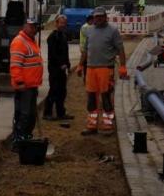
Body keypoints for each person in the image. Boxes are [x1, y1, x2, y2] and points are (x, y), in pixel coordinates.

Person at [75, 7, 128, 135]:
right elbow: (86, 50)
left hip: (106, 69)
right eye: (96, 17)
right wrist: (81, 65)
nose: (98, 19)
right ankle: (91, 125)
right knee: (91, 98)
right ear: (93, 18)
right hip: (91, 69)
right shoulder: (89, 30)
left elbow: (120, 49)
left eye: (100, 16)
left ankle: (108, 125)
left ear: (105, 17)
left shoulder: (113, 31)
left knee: (106, 98)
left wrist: (122, 66)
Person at [10, 18, 44, 149]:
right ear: (24, 26)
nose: (34, 29)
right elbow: (15, 65)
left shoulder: (31, 41)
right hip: (23, 86)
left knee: (30, 115)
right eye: (31, 27)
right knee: (23, 114)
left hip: (31, 85)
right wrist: (19, 82)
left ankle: (26, 137)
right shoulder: (19, 42)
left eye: (35, 27)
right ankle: (18, 141)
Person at [43, 15, 73, 120]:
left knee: (62, 91)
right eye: (61, 23)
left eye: (64, 23)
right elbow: (53, 54)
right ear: (56, 23)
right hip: (54, 68)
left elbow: (66, 52)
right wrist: (61, 64)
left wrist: (68, 64)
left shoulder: (63, 36)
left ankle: (61, 112)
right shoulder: (52, 37)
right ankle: (47, 113)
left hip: (62, 69)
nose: (62, 25)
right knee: (54, 90)